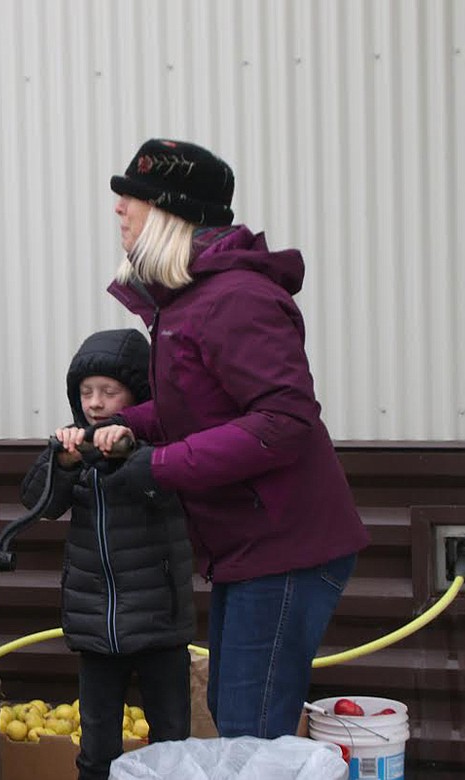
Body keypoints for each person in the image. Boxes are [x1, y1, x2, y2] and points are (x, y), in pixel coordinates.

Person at [97, 138, 371, 739]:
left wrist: (160, 465)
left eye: (133, 198)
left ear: (172, 212)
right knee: (235, 713)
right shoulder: (190, 300)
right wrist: (118, 430)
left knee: (252, 729)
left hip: (287, 548)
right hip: (250, 548)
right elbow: (197, 407)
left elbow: (285, 421)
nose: (119, 209)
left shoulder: (236, 298)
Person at [19, 329, 194, 780]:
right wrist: (62, 462)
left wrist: (129, 451)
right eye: (86, 392)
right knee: (96, 750)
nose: (95, 402)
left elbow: (166, 491)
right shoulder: (73, 448)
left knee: (171, 742)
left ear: (136, 395)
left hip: (159, 624)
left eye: (109, 392)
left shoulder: (160, 447)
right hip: (96, 627)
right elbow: (37, 501)